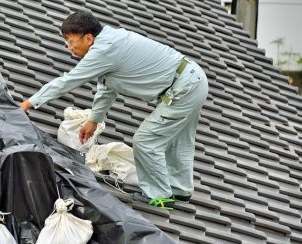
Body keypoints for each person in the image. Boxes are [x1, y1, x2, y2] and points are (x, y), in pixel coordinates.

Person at [20, 10, 209, 210]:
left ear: (89, 38)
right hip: (192, 79)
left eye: (71, 41)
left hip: (183, 88)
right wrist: (93, 119)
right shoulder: (110, 41)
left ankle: (161, 196)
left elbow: (68, 81)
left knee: (145, 140)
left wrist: (29, 103)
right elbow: (107, 87)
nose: (70, 48)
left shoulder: (103, 51)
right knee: (178, 142)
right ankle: (180, 190)